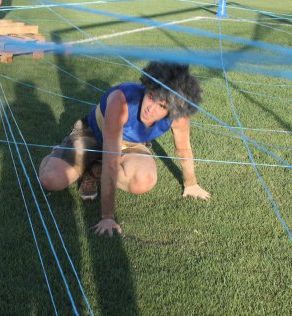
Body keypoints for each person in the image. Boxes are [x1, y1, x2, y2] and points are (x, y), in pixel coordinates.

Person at [39, 62, 210, 237]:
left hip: (131, 145)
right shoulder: (121, 101)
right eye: (151, 96)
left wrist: (191, 184)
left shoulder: (178, 116)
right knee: (51, 179)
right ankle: (63, 154)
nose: (151, 109)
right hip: (91, 135)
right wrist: (108, 217)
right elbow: (111, 162)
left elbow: (183, 149)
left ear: (173, 110)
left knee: (143, 181)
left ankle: (94, 170)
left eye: (163, 106)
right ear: (146, 87)